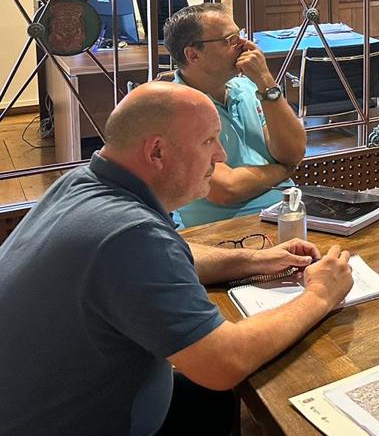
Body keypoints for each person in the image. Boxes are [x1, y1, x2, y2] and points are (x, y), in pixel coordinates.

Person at [0, 82, 354, 436]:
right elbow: (223, 362)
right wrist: (320, 294)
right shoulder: (130, 234)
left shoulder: (83, 183)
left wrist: (255, 260)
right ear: (157, 152)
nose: (220, 156)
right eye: (208, 141)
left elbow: (156, 258)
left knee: (211, 403)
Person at [163, 3, 308, 226]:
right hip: (224, 231)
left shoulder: (249, 88)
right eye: (230, 39)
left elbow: (293, 152)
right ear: (193, 54)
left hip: (288, 216)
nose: (245, 45)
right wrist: (283, 170)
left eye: (239, 35)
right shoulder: (176, 107)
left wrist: (266, 83)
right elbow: (227, 189)